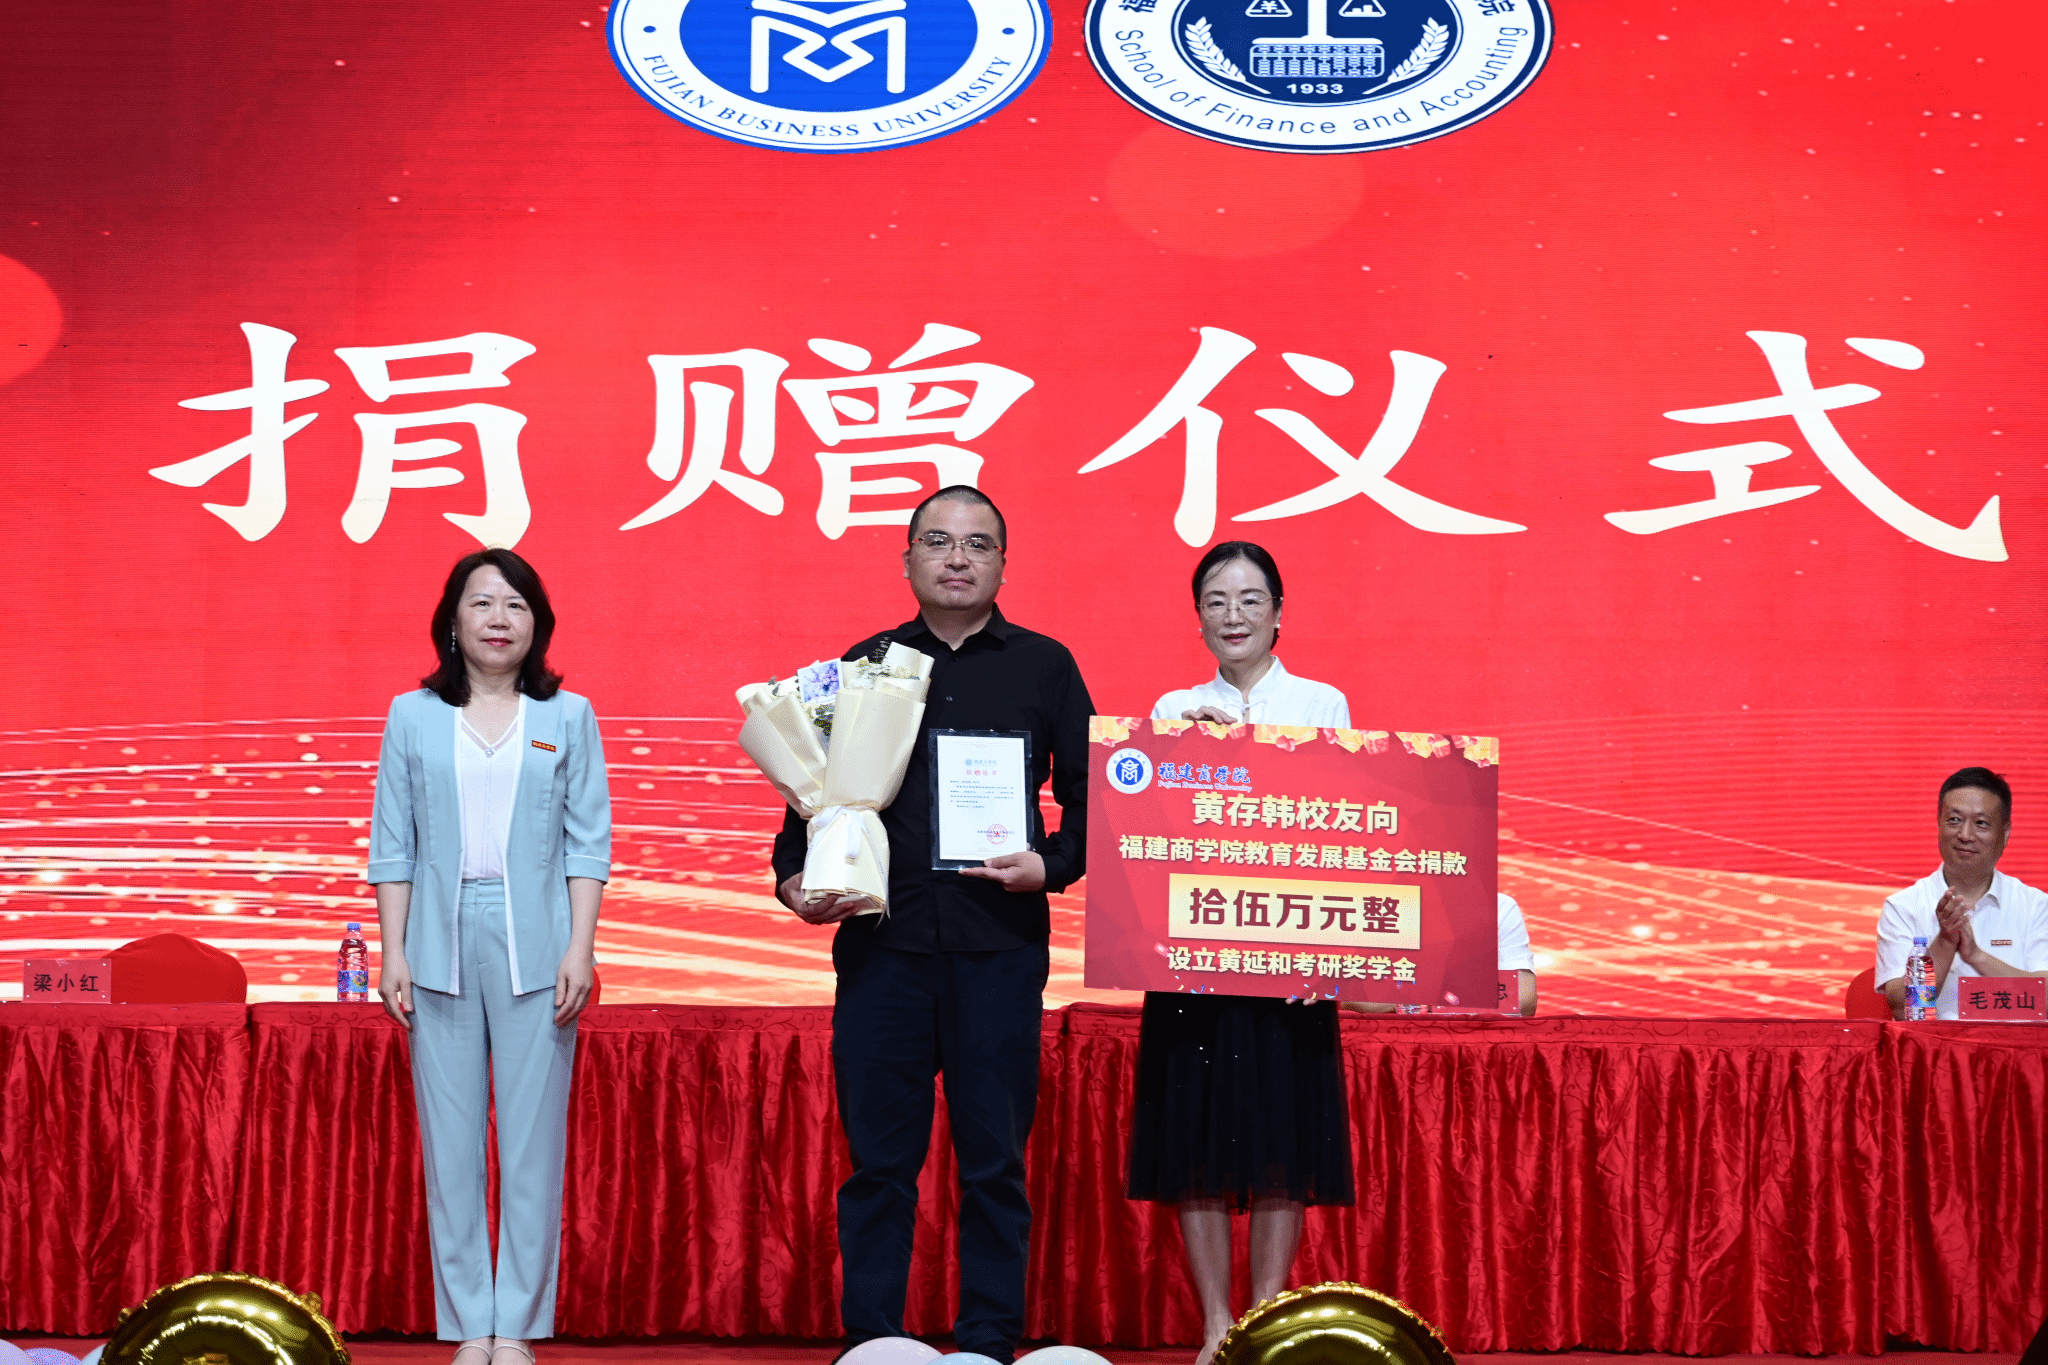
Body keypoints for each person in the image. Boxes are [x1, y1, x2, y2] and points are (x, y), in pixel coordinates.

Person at [770, 486, 1092, 1364]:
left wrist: (1051, 865)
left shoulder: (1045, 665)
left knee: (995, 1164)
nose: (958, 558)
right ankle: (875, 1340)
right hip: (884, 952)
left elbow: (1091, 797)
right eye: (939, 542)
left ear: (1002, 565)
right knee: (879, 1165)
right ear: (908, 558)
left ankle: (988, 1340)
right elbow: (810, 797)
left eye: (978, 544)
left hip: (999, 950)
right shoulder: (864, 665)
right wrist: (796, 881)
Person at [369, 549, 611, 1365]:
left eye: (515, 604)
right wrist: (393, 950)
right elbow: (393, 843)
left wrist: (580, 945)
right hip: (437, 939)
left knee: (532, 1146)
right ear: (452, 620)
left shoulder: (567, 716)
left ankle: (518, 1327)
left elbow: (588, 843)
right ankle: (471, 1324)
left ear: (537, 623)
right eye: (482, 603)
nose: (499, 618)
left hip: (538, 942)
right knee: (452, 1146)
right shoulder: (412, 715)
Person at [1126, 541, 1354, 1365]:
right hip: (1195, 958)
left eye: (1251, 599)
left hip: (1290, 958)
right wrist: (1183, 749)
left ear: (1279, 612)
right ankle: (1216, 1322)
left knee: (1283, 1144)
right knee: (1196, 1144)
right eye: (1216, 600)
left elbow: (1341, 822)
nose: (1234, 615)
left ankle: (1264, 1320)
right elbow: (1152, 829)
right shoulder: (1174, 706)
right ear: (1198, 617)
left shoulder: (1323, 703)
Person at [1876, 766, 2048, 1020]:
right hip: (1935, 1046)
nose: (1965, 835)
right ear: (1938, 824)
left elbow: (2046, 1002)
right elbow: (1905, 1009)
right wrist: (1945, 942)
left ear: (2005, 833)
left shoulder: (2036, 906)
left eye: (1981, 823)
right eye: (1954, 820)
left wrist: (1977, 957)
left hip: (2015, 1046)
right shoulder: (1903, 907)